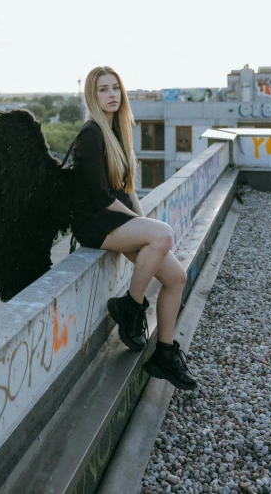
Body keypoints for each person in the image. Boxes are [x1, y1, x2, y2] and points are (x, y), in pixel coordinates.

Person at [71, 66, 197, 391]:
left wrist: (143, 221)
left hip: (116, 219)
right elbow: (100, 196)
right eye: (103, 89)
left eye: (115, 88)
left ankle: (165, 354)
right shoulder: (90, 134)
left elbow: (127, 190)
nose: (111, 94)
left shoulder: (119, 133)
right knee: (163, 234)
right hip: (95, 223)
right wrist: (143, 226)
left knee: (176, 278)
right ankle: (130, 305)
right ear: (92, 95)